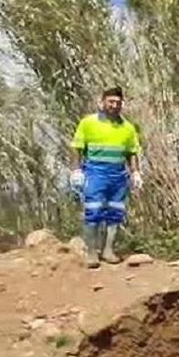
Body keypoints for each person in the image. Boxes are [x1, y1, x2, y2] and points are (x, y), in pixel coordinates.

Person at [69, 86, 142, 268]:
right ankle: (91, 253)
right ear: (102, 102)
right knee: (93, 211)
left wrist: (135, 172)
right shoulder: (88, 123)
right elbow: (77, 147)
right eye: (111, 101)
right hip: (95, 172)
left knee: (115, 213)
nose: (114, 105)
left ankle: (108, 250)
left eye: (118, 102)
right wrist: (76, 170)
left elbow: (132, 152)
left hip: (118, 174)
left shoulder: (128, 128)